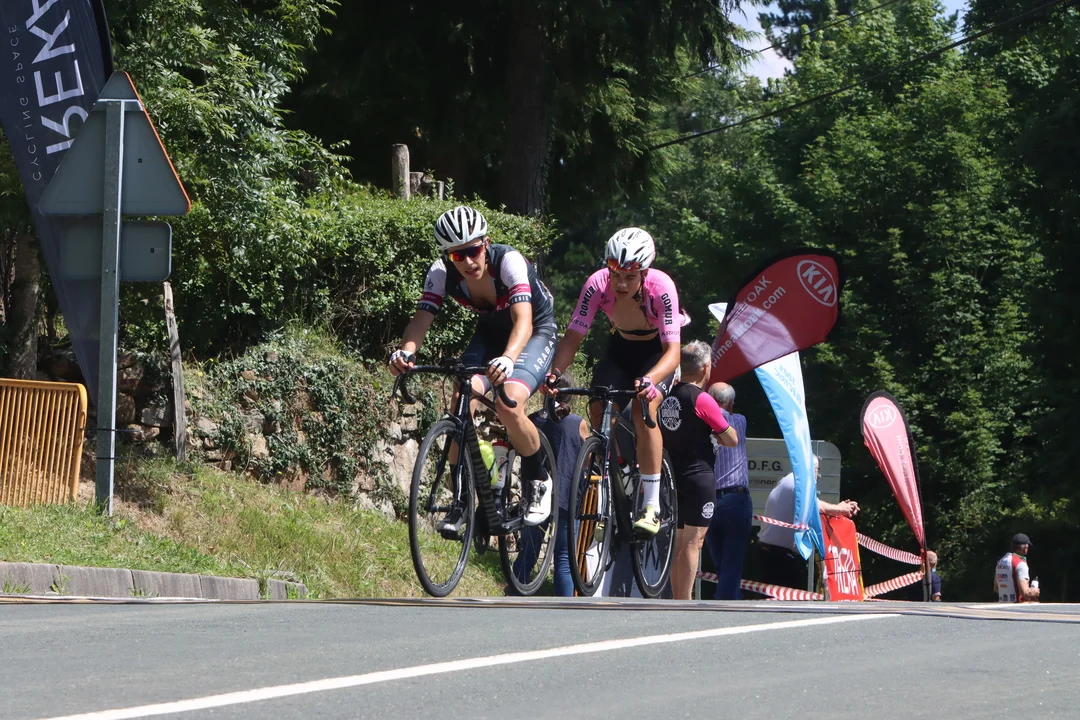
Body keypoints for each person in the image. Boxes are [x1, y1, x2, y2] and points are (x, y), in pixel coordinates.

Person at [389, 206, 557, 532]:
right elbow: (421, 319)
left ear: (486, 243)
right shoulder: (441, 272)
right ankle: (462, 500)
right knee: (460, 400)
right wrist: (406, 352)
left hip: (534, 330)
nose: (467, 261)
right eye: (457, 255)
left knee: (509, 403)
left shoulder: (508, 262)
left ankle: (538, 478)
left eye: (473, 251)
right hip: (490, 332)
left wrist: (509, 358)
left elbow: (523, 320)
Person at [542, 227, 688, 537]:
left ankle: (651, 505)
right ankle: (619, 467)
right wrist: (554, 373)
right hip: (621, 348)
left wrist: (650, 380)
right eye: (615, 274)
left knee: (644, 408)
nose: (620, 283)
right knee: (598, 403)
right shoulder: (596, 284)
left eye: (630, 276)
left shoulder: (662, 287)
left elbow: (673, 353)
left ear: (644, 272)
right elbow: (573, 337)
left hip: (657, 353)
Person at [657, 341, 738, 600]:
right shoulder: (702, 399)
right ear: (705, 368)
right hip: (698, 477)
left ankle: (677, 598)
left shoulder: (667, 394)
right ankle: (686, 600)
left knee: (679, 542)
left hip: (672, 475)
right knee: (694, 542)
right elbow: (731, 439)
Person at [513, 372, 590, 596]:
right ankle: (564, 607)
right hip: (567, 496)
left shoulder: (532, 421)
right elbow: (587, 459)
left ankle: (515, 592)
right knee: (564, 558)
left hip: (537, 495)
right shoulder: (578, 423)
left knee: (529, 549)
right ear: (571, 395)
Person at [756, 456, 859, 590]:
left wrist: (839, 508)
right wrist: (839, 509)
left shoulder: (790, 480)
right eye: (817, 471)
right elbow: (815, 505)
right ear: (813, 469)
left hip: (772, 551)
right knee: (790, 598)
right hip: (779, 555)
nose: (817, 476)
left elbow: (814, 504)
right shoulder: (800, 483)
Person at [702, 381, 751, 600]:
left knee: (719, 558)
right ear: (730, 402)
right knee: (732, 558)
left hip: (708, 497)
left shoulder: (700, 423)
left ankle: (729, 598)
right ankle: (726, 602)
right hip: (735, 498)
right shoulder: (738, 420)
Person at [995, 533, 1040, 603]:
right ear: (1025, 548)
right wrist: (1035, 591)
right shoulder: (1020, 564)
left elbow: (996, 588)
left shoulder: (1001, 562)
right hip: (1017, 606)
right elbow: (1025, 593)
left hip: (1002, 605)